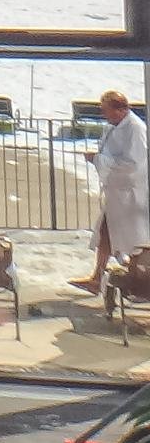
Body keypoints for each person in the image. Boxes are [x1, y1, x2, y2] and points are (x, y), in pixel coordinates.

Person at [73, 90, 150, 295]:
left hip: (131, 195)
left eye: (106, 110)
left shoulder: (135, 129)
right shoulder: (113, 127)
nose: (104, 114)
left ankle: (137, 279)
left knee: (134, 239)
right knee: (106, 232)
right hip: (117, 194)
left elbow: (134, 164)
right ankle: (97, 277)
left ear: (120, 110)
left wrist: (99, 160)